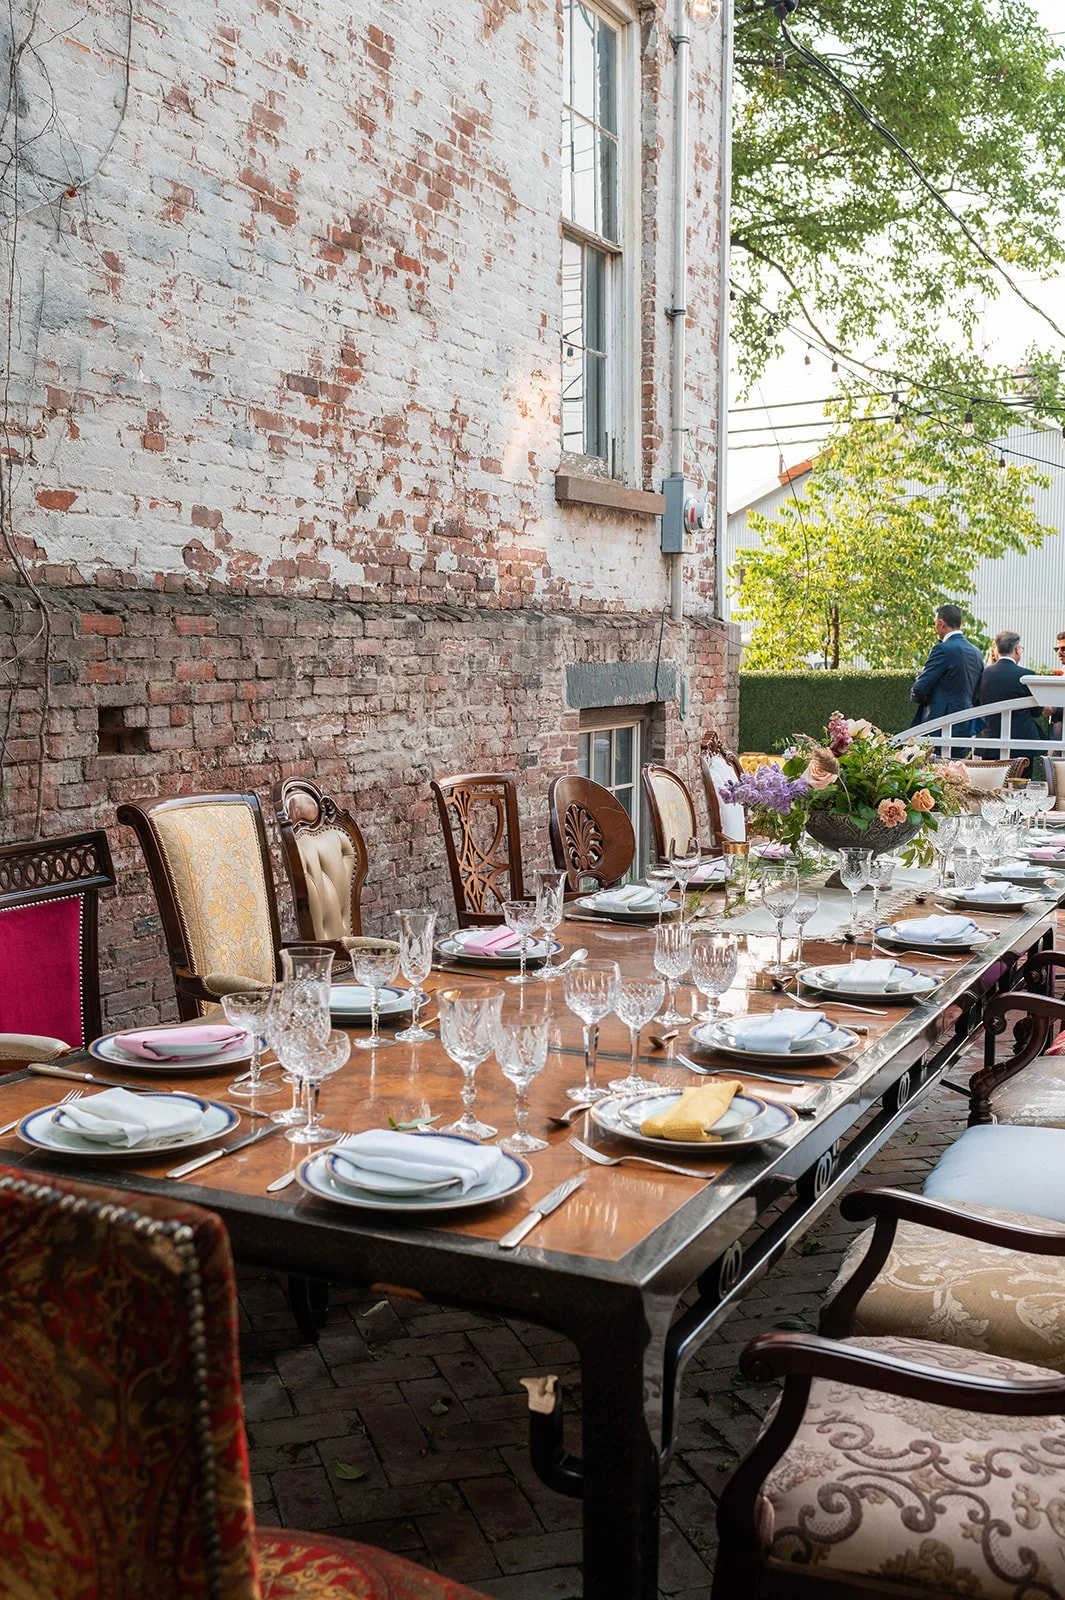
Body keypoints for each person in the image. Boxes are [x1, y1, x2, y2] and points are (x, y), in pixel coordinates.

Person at [910, 603, 984, 745]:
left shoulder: (942, 649)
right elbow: (977, 692)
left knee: (935, 759)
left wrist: (917, 692)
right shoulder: (976, 652)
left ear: (940, 623)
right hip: (965, 724)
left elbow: (920, 688)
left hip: (940, 724)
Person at [974, 630, 1046, 761]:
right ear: (1017, 649)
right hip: (1021, 743)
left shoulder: (984, 674)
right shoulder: (1026, 675)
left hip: (989, 740)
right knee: (1022, 774)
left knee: (991, 774)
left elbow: (976, 703)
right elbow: (1037, 711)